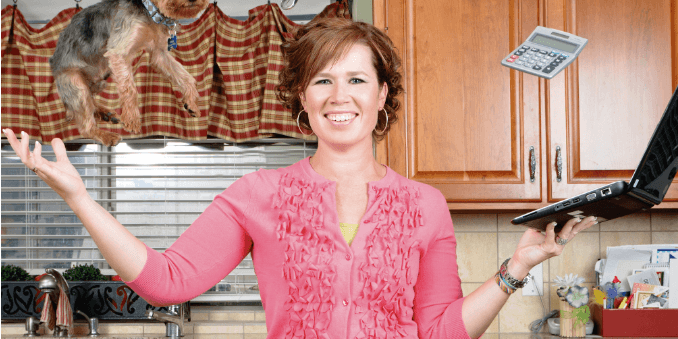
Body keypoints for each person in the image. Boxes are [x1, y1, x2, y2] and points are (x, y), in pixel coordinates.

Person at [3, 18, 597, 339]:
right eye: (322, 81)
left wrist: (516, 268)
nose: (341, 97)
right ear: (303, 100)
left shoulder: (426, 204)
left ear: (383, 95)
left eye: (358, 80)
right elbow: (165, 280)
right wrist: (80, 196)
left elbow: (440, 331)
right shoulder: (254, 196)